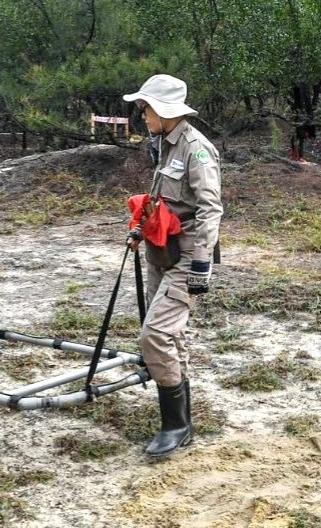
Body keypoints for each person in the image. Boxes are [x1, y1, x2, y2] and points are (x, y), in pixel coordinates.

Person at [122, 74, 222, 457]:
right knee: (170, 335)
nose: (141, 115)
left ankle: (175, 425)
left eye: (145, 108)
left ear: (163, 111)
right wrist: (138, 226)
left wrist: (201, 266)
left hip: (188, 254)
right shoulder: (163, 143)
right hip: (161, 250)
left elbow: (211, 209)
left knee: (156, 335)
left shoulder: (197, 149)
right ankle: (182, 424)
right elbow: (160, 195)